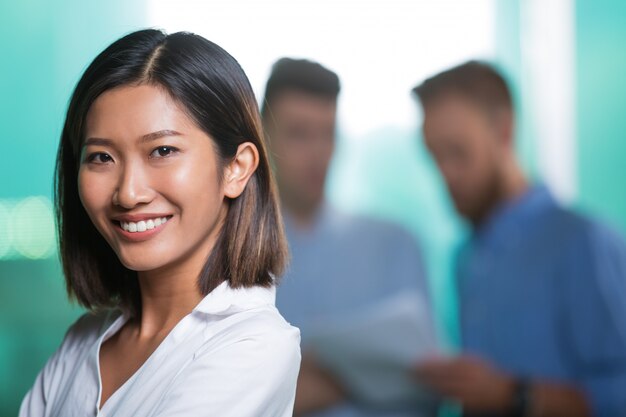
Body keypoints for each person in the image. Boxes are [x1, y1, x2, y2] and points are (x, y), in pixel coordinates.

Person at [19, 29, 300, 417]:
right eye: (101, 157)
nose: (128, 193)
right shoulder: (83, 341)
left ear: (236, 168)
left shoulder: (252, 344)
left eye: (162, 151)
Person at [412, 61, 626, 417]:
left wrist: (515, 394)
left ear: (504, 131)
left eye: (458, 152)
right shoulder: (466, 258)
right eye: (435, 157)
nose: (446, 175)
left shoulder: (583, 242)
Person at [262, 58, 436, 417]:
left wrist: (303, 384)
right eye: (299, 134)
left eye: (327, 133)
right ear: (262, 139)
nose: (317, 153)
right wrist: (368, 375)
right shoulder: (227, 259)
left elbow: (428, 389)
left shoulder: (396, 245)